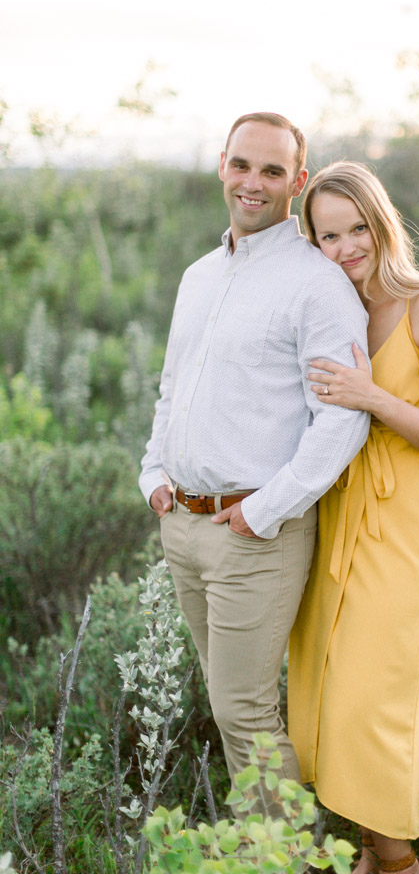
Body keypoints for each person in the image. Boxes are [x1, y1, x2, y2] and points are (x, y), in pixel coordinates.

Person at [139, 115, 370, 816]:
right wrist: (153, 473)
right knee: (227, 702)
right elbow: (174, 385)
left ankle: (285, 859)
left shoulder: (316, 284)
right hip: (181, 523)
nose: (254, 182)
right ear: (221, 166)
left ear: (298, 184)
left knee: (244, 711)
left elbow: (343, 419)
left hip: (256, 533)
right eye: (243, 165)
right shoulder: (198, 276)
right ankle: (271, 850)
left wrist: (265, 511)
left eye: (273, 172)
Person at [288, 161, 419, 874]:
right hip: (333, 515)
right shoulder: (327, 308)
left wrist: (373, 398)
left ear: (381, 222)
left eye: (357, 227)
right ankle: (370, 853)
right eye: (328, 234)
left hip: (400, 525)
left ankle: (398, 862)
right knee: (330, 693)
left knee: (372, 704)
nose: (346, 246)